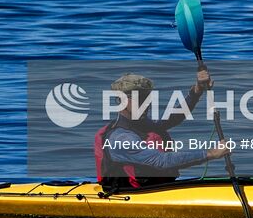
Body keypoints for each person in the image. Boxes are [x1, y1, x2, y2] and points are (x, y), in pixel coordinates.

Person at [94, 70, 231, 194]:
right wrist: (210, 154)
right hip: (133, 195)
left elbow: (172, 119)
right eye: (140, 99)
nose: (146, 104)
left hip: (158, 189)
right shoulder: (121, 138)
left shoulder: (141, 124)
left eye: (148, 98)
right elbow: (162, 161)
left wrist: (196, 91)